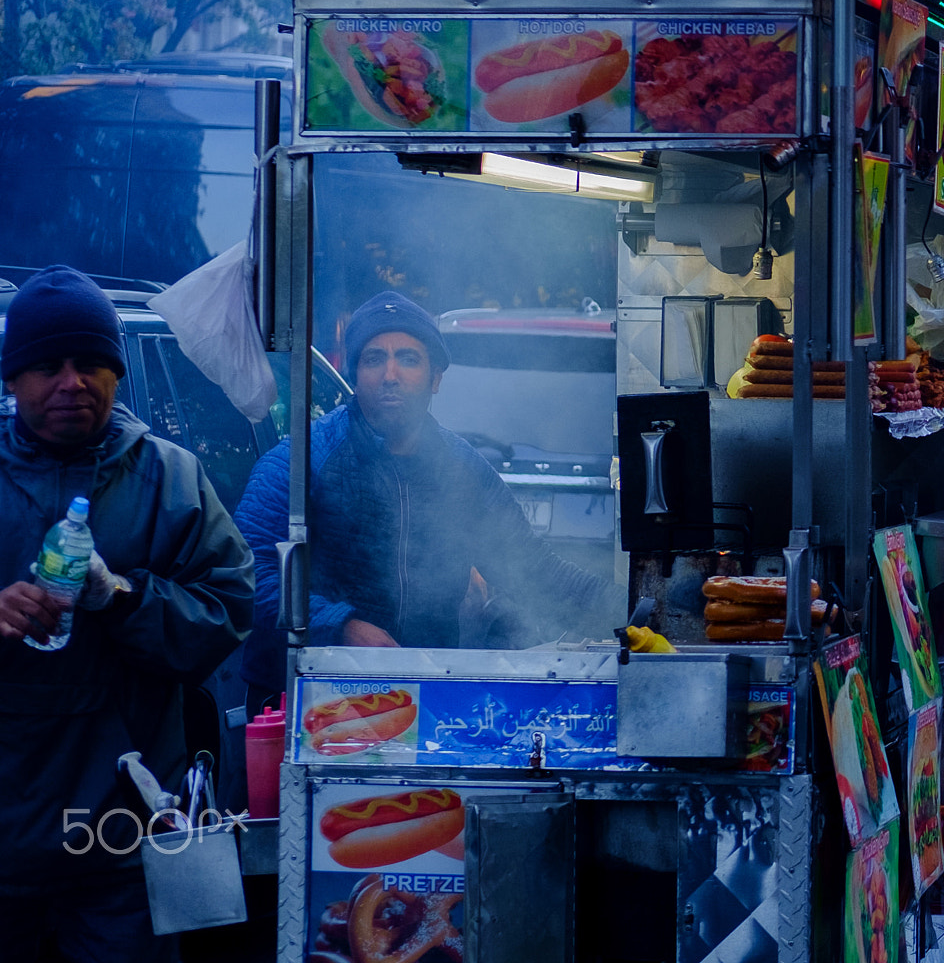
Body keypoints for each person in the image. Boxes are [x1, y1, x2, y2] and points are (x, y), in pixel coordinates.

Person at [0, 266, 254, 963]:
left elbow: (228, 611)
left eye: (90, 364)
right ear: (12, 379)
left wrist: (122, 596)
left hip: (121, 837)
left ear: (116, 373)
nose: (71, 382)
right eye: (46, 366)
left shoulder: (170, 479)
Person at [236, 290, 605, 700]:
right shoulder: (300, 461)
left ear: (436, 378)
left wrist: (631, 609)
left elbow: (535, 572)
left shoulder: (464, 471)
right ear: (355, 374)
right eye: (374, 358)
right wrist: (340, 625)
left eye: (408, 358)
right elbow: (249, 573)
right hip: (305, 697)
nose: (390, 374)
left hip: (423, 700)